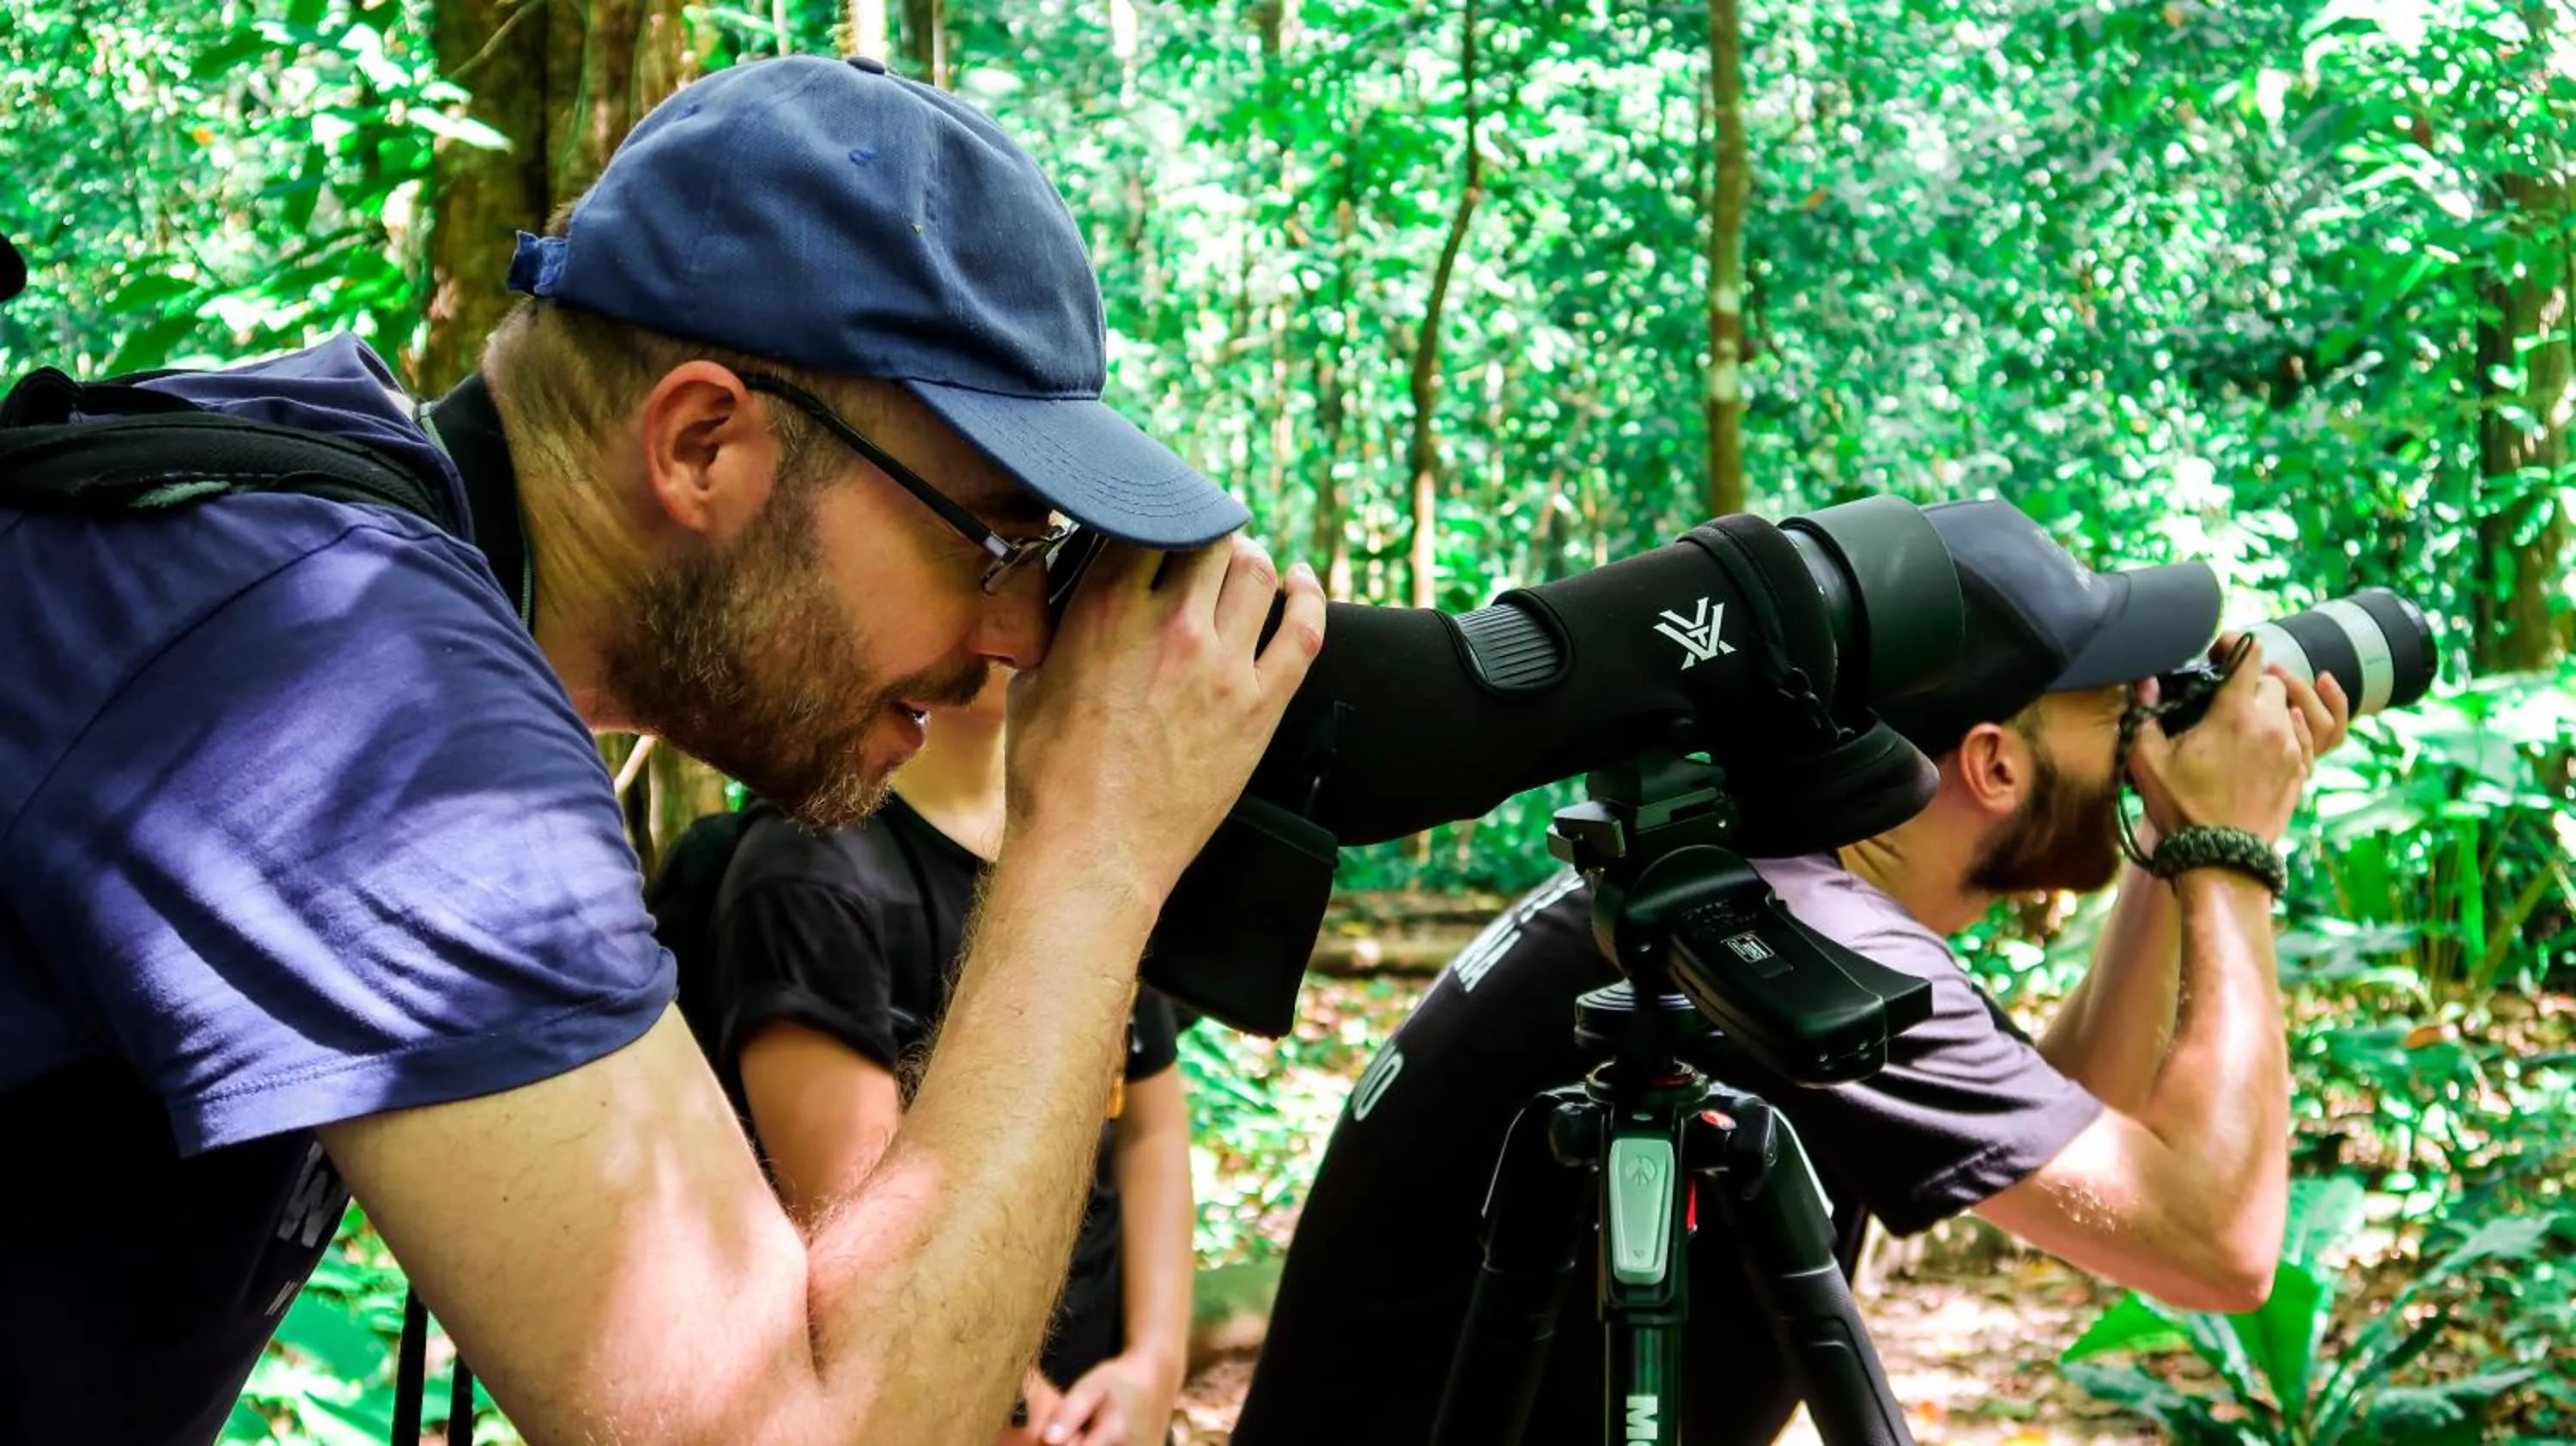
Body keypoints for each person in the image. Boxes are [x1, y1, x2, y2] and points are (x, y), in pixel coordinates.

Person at [0, 53, 1323, 1446]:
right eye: (991, 536)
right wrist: (1092, 848)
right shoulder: (354, 669)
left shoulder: (327, 516)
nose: (1022, 636)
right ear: (700, 441)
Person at [1231, 498, 2348, 1445]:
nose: (2150, 721)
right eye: (2119, 710)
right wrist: (2229, 847)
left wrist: (2170, 835)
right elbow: (2217, 1247)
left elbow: (2081, 1135)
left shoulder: (1741, 894)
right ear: (1995, 764)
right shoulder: (1799, 944)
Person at [681, 668, 1194, 1446]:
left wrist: (1155, 1362)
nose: (1022, 610)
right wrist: (1024, 1407)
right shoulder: (810, 876)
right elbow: (867, 1250)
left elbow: (1148, 1119)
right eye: (998, 553)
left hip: (1102, 1388)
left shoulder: (1088, 842)